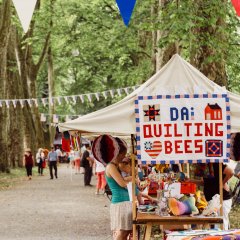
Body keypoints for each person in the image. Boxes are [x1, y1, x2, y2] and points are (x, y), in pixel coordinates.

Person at [188, 163, 234, 230]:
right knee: (215, 223)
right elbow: (206, 183)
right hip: (212, 200)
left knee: (221, 223)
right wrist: (191, 181)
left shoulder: (216, 164)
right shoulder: (205, 168)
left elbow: (230, 172)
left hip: (222, 199)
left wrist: (222, 183)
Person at [105, 137, 133, 240]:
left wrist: (130, 173)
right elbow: (122, 183)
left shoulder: (116, 166)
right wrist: (131, 178)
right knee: (122, 233)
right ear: (118, 153)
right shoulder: (111, 167)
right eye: (123, 154)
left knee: (125, 232)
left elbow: (124, 179)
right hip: (120, 203)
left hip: (124, 202)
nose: (124, 157)